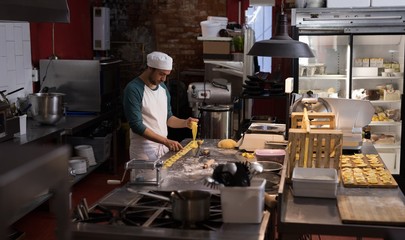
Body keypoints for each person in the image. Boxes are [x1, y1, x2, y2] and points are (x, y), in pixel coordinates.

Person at [123, 51, 198, 162]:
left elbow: (168, 118)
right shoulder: (133, 89)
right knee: (147, 180)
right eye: (161, 74)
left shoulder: (162, 87)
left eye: (166, 75)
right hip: (143, 151)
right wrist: (166, 141)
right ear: (150, 68)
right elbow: (136, 125)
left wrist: (185, 123)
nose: (164, 79)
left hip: (162, 148)